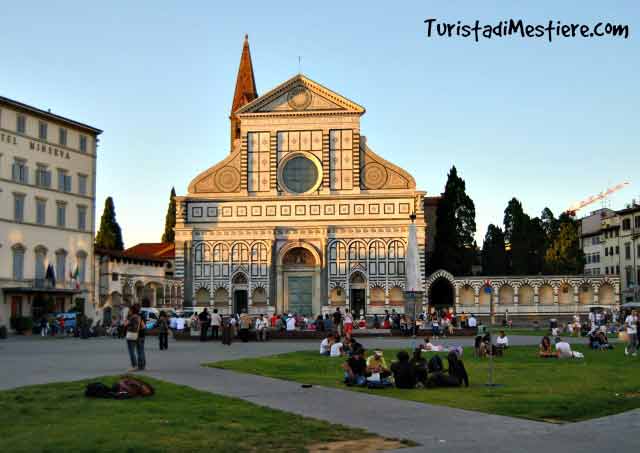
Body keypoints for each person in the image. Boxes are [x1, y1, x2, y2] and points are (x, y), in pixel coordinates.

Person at [125, 305, 146, 371]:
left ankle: (134, 365)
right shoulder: (141, 316)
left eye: (129, 310)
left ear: (132, 310)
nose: (129, 311)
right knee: (141, 351)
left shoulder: (132, 317)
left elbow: (125, 324)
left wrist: (128, 324)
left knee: (131, 351)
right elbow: (143, 326)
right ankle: (142, 366)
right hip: (141, 335)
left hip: (132, 335)